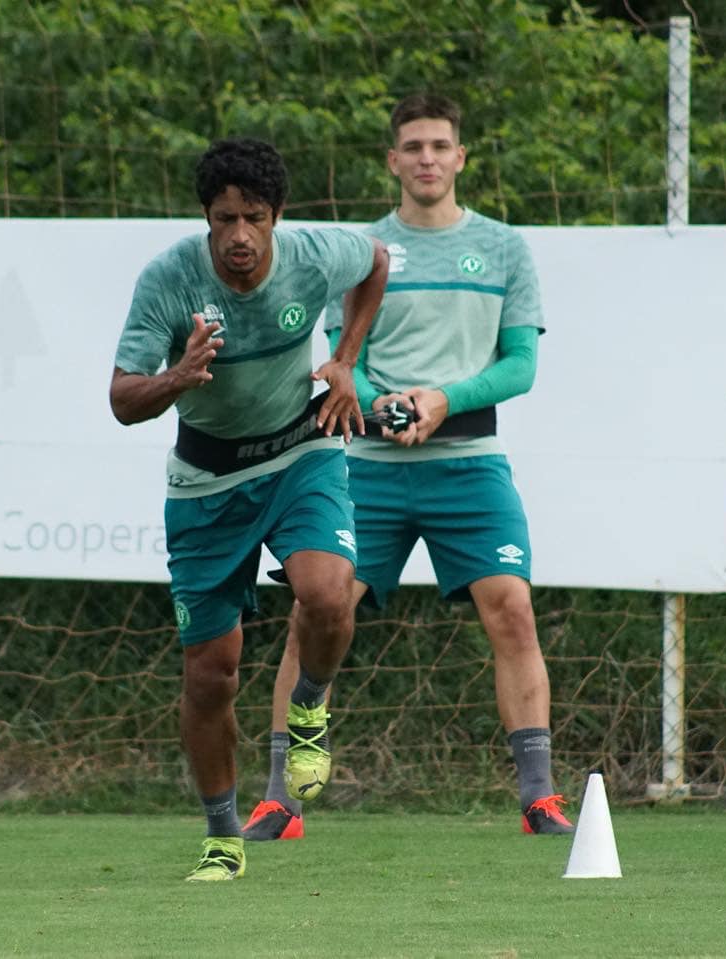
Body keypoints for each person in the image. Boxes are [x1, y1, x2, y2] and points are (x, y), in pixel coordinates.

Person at [243, 94, 574, 842]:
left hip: (470, 464)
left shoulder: (504, 248)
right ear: (393, 161)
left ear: (461, 158)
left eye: (440, 145)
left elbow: (521, 365)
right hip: (364, 464)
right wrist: (372, 400)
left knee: (512, 611)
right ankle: (278, 799)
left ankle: (539, 799)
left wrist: (442, 400)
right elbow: (336, 362)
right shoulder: (358, 252)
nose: (427, 157)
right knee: (315, 611)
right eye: (413, 146)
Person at [110, 137, 389, 881]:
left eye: (253, 218)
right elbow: (120, 400)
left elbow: (377, 264)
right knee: (211, 673)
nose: (238, 235)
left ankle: (308, 708)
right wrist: (178, 377)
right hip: (207, 480)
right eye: (224, 218)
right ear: (206, 217)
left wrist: (346, 360)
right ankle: (221, 835)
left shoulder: (314, 254)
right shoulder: (168, 281)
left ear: (277, 217)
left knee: (328, 595)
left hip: (303, 449)